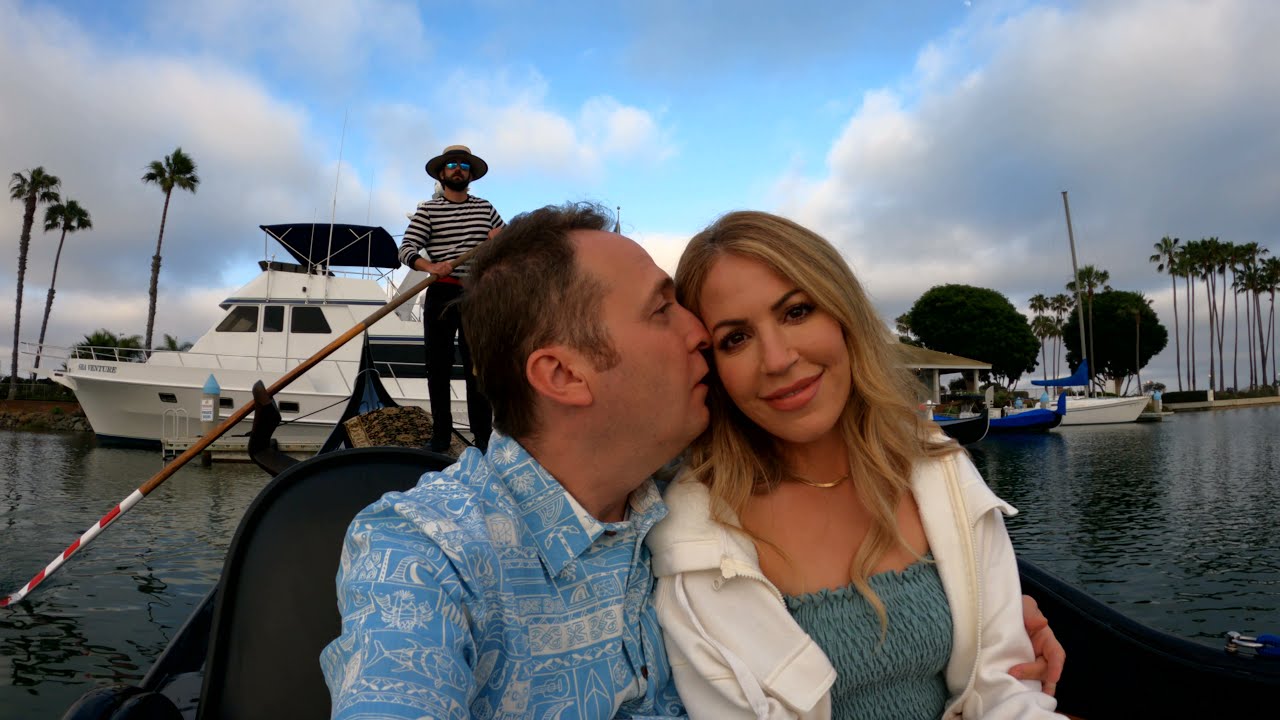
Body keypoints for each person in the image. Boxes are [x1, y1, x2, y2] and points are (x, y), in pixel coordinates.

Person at [321, 203, 1062, 719]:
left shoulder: (672, 493)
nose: (700, 335)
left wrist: (981, 605)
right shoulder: (423, 554)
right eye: (662, 311)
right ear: (566, 377)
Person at [647, 210, 1062, 718]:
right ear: (714, 369)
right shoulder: (693, 541)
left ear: (844, 316)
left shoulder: (939, 468)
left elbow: (1004, 687)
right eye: (736, 338)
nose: (777, 359)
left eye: (796, 312)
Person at [397, 144, 503, 452]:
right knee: (438, 367)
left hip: (477, 293)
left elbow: (509, 245)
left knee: (477, 368)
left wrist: (500, 240)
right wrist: (430, 266)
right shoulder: (429, 210)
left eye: (464, 165)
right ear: (442, 173)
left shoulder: (485, 209)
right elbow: (407, 249)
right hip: (442, 290)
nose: (458, 169)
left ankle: (482, 440)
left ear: (470, 174)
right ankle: (441, 437)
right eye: (453, 164)